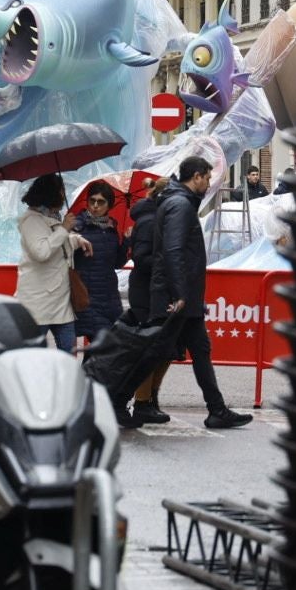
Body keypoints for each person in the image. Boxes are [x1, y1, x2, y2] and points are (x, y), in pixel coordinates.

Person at [151, 156, 252, 429]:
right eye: (207, 177)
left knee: (199, 349)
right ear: (195, 176)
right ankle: (124, 400)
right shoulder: (180, 205)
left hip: (184, 297)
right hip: (179, 297)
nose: (208, 183)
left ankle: (216, 409)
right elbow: (173, 251)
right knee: (154, 351)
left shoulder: (178, 202)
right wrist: (181, 294)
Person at [15, 173, 92, 353]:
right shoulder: (31, 220)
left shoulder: (52, 217)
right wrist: (64, 228)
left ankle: (63, 381)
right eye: (61, 190)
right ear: (51, 193)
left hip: (61, 299)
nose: (64, 194)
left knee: (69, 351)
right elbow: (41, 251)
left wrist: (76, 239)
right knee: (33, 355)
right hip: (38, 302)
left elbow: (58, 245)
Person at [127, 177, 173, 425]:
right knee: (150, 348)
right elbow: (142, 259)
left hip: (161, 291)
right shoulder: (148, 222)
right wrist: (170, 263)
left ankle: (151, 398)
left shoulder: (162, 219)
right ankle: (142, 402)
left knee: (166, 349)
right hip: (147, 292)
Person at [71, 183, 131, 345]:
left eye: (101, 202)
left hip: (110, 297)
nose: (95, 205)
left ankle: (85, 371)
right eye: (92, 201)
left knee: (103, 351)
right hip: (88, 297)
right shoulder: (78, 226)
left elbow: (117, 263)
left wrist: (126, 242)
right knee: (103, 347)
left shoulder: (112, 229)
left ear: (109, 205)